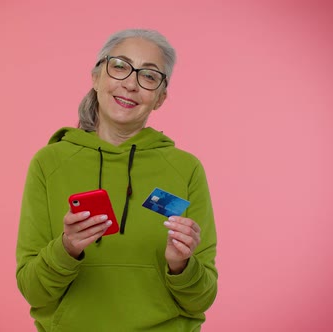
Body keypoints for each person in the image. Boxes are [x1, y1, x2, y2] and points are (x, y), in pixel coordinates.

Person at [15, 28, 218, 331]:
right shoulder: (49, 162)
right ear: (96, 77)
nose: (131, 84)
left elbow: (201, 299)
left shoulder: (185, 168)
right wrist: (67, 248)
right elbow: (33, 291)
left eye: (149, 76)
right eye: (120, 66)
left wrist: (181, 265)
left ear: (160, 97)